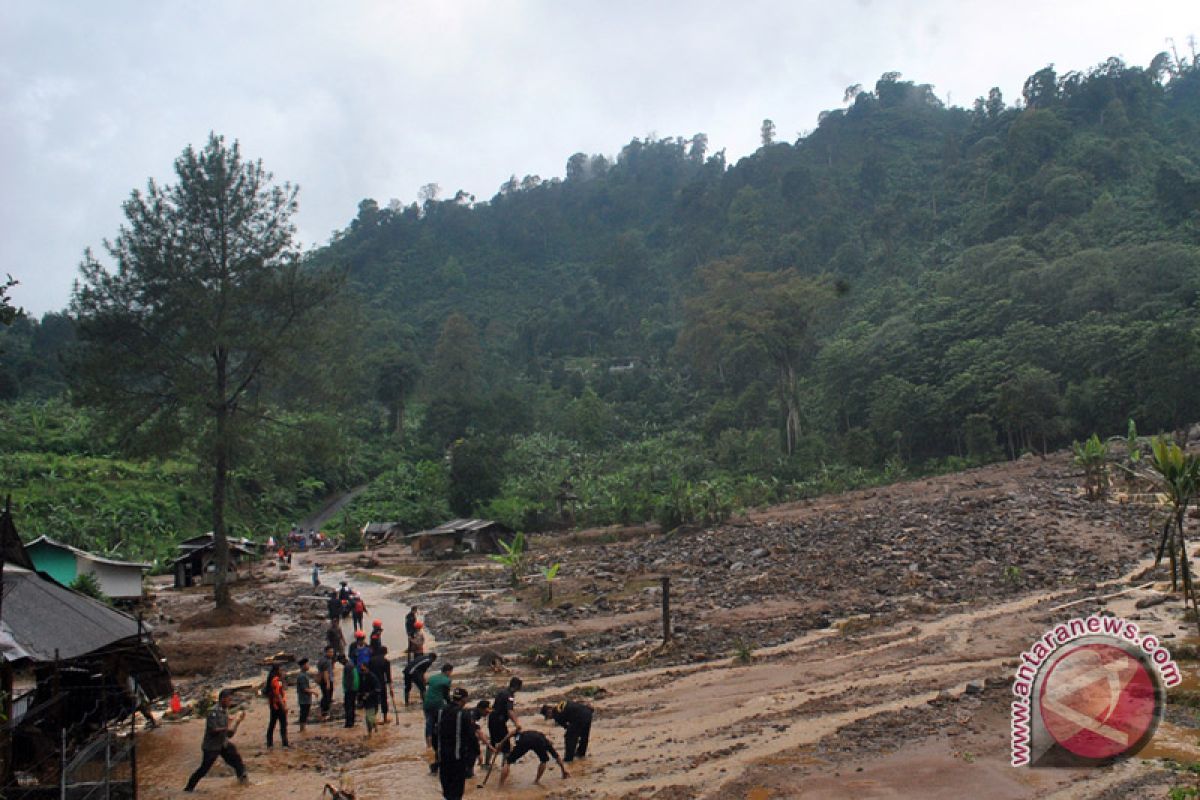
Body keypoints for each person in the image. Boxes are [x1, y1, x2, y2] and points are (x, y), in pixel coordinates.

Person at [185, 690, 249, 791]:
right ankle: (188, 789)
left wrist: (237, 722)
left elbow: (229, 734)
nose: (230, 702)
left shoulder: (225, 711)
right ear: (222, 699)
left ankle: (243, 783)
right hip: (211, 746)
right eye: (228, 699)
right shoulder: (213, 712)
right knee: (204, 769)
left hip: (223, 744)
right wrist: (226, 727)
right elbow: (213, 730)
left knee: (237, 761)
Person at [436, 687, 493, 800]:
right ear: (464, 699)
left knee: (447, 792)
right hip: (457, 759)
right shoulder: (463, 714)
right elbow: (471, 736)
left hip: (442, 757)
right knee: (457, 792)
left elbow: (435, 733)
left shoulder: (441, 711)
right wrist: (478, 753)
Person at [498, 729, 570, 787]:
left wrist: (501, 742)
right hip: (538, 741)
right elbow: (557, 757)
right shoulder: (546, 743)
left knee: (508, 761)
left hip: (524, 740)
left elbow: (512, 732)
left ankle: (501, 785)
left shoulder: (521, 734)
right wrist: (563, 771)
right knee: (543, 760)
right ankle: (536, 781)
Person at [424, 663, 454, 773]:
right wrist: (451, 704)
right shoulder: (446, 680)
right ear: (448, 671)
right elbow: (446, 695)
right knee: (439, 723)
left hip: (427, 703)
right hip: (438, 705)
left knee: (428, 722)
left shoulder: (432, 677)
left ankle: (428, 743)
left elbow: (426, 684)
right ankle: (437, 741)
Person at [488, 676, 523, 762]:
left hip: (491, 718)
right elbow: (510, 711)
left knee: (492, 741)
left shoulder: (502, 692)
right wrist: (517, 723)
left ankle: (486, 764)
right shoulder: (509, 696)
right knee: (506, 746)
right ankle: (506, 766)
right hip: (499, 721)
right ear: (516, 686)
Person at [368, 645, 393, 722]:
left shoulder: (371, 660)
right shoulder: (386, 662)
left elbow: (368, 672)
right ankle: (385, 718)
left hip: (372, 683)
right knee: (383, 700)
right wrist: (391, 689)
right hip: (381, 683)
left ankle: (373, 718)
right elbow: (388, 676)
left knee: (374, 700)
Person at [265, 664, 289, 747]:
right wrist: (283, 706)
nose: (282, 672)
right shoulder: (276, 680)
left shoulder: (272, 679)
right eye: (281, 670)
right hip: (278, 705)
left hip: (273, 705)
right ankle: (285, 743)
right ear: (277, 671)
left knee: (272, 723)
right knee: (283, 724)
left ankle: (269, 743)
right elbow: (278, 694)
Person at [296, 659, 319, 732]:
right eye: (307, 664)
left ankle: (303, 729)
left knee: (305, 714)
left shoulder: (304, 674)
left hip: (306, 698)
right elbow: (304, 689)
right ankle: (302, 729)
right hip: (304, 699)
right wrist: (314, 692)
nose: (308, 666)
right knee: (303, 714)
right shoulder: (302, 676)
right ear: (303, 666)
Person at [360, 665, 382, 737]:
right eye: (361, 670)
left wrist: (369, 694)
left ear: (367, 668)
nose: (362, 672)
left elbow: (378, 689)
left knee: (368, 717)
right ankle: (373, 729)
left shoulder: (373, 677)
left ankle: (370, 734)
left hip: (373, 700)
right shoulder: (362, 676)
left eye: (363, 670)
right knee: (369, 717)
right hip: (366, 701)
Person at [317, 646, 336, 721]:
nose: (332, 653)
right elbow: (325, 672)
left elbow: (320, 671)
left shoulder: (322, 660)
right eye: (330, 652)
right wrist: (328, 683)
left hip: (323, 681)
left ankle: (323, 712)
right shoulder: (326, 661)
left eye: (332, 652)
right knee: (327, 697)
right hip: (326, 681)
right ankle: (324, 714)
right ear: (326, 652)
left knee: (325, 696)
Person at [342, 653, 359, 728]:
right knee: (352, 705)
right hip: (354, 688)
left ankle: (349, 723)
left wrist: (347, 689)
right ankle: (352, 722)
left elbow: (349, 680)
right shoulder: (351, 664)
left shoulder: (347, 667)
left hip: (349, 690)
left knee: (348, 706)